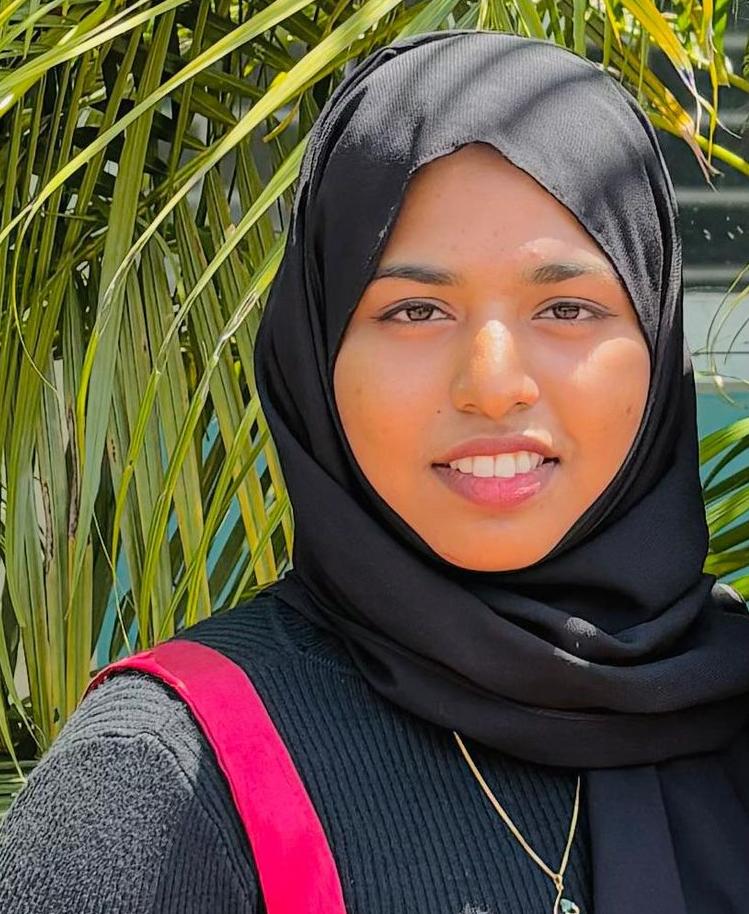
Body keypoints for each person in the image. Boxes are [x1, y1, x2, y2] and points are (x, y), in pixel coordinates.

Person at [2, 28, 749, 914]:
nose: (493, 386)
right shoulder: (158, 786)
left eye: (566, 307)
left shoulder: (727, 710)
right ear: (317, 353)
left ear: (656, 338)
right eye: (416, 310)